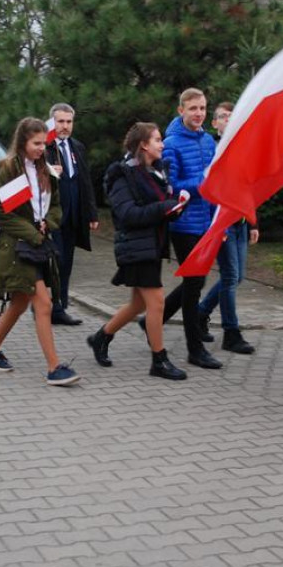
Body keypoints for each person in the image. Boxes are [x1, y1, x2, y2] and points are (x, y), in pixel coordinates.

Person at [0, 117, 80, 386]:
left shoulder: (47, 170)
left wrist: (51, 221)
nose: (41, 148)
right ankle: (54, 368)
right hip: (17, 248)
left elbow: (57, 205)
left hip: (38, 244)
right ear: (23, 142)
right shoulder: (8, 170)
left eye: (43, 143)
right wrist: (32, 233)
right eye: (36, 143)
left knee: (21, 302)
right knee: (43, 304)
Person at [87, 122, 187, 380]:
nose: (162, 144)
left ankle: (101, 337)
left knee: (138, 303)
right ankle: (159, 360)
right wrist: (165, 208)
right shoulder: (122, 174)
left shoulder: (156, 171)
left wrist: (176, 207)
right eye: (157, 140)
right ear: (143, 144)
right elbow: (127, 214)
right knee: (157, 302)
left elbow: (160, 209)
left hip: (152, 246)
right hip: (135, 247)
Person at [159, 88, 222, 369]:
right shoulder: (171, 143)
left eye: (203, 108)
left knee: (194, 283)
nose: (199, 114)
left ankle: (154, 321)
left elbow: (216, 188)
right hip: (183, 224)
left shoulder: (209, 141)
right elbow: (170, 188)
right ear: (181, 111)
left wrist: (218, 224)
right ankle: (195, 350)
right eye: (193, 108)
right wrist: (202, 182)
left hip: (206, 224)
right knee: (195, 284)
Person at [196, 102, 257, 354]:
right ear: (215, 123)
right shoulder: (213, 149)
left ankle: (200, 312)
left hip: (241, 221)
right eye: (223, 117)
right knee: (231, 277)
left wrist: (254, 221)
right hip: (223, 222)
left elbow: (250, 186)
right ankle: (231, 333)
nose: (228, 120)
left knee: (238, 276)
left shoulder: (243, 148)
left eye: (232, 116)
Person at [45, 103, 99, 325]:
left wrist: (92, 213)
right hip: (53, 216)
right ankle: (48, 305)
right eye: (60, 122)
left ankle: (60, 306)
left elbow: (85, 181)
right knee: (55, 261)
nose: (64, 126)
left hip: (74, 215)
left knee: (67, 262)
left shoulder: (76, 147)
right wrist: (48, 171)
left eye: (68, 122)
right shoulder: (44, 148)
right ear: (52, 123)